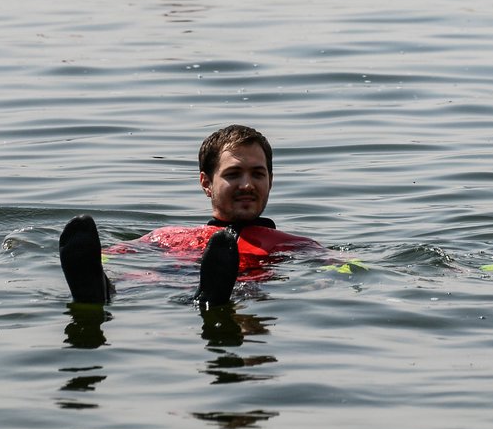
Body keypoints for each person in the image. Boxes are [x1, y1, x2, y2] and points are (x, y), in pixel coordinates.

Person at [59, 125, 324, 308]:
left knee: (236, 291)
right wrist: (98, 260)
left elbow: (346, 266)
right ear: (206, 183)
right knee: (141, 279)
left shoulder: (289, 243)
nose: (247, 184)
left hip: (232, 287)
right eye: (233, 174)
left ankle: (210, 297)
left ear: (271, 181)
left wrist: (321, 282)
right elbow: (109, 253)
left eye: (258, 174)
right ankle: (100, 289)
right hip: (165, 281)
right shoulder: (168, 236)